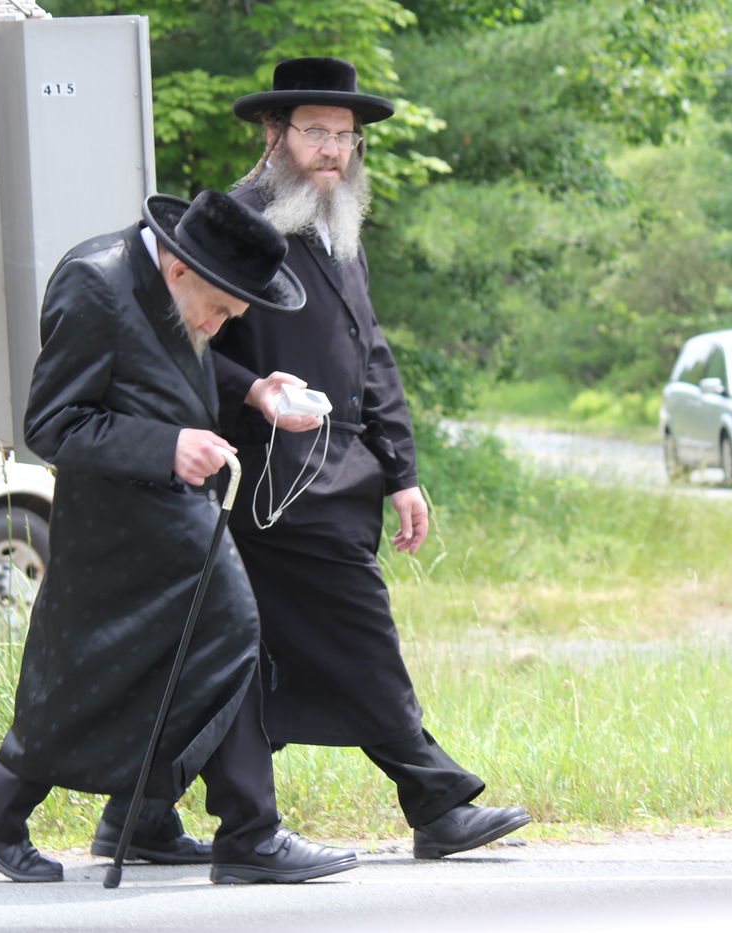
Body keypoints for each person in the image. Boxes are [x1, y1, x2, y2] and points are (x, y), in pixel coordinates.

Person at [0, 189, 358, 885]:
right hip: (121, 517)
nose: (220, 326)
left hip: (166, 507)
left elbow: (172, 363)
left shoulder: (171, 284)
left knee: (152, 664)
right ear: (180, 270)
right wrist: (168, 445)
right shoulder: (94, 284)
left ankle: (132, 816)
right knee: (232, 633)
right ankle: (251, 832)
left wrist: (254, 391)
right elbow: (51, 423)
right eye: (221, 310)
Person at [210, 57, 531, 859]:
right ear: (275, 133)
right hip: (277, 484)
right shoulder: (236, 218)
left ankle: (138, 813)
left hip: (345, 475)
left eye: (346, 136)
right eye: (317, 131)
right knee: (360, 634)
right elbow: (184, 348)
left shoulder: (337, 220)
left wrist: (403, 470)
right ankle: (436, 799)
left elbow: (370, 349)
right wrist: (255, 393)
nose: (334, 151)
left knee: (254, 660)